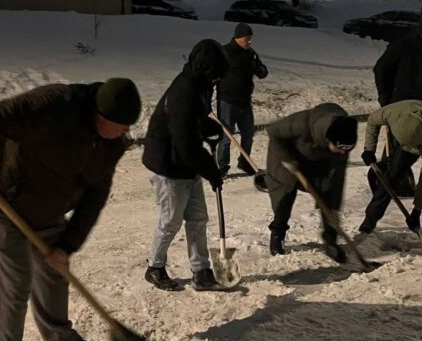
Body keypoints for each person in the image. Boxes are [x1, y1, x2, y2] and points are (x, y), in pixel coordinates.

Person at [0, 78, 142, 341]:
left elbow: (96, 194)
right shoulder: (54, 106)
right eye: (120, 126)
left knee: (55, 271)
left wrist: (67, 245)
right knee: (13, 284)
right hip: (2, 201)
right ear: (99, 116)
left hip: (47, 207)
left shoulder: (112, 143)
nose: (124, 134)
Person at [142, 39, 228, 292]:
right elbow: (185, 143)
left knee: (198, 217)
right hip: (168, 164)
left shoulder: (200, 85)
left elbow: (193, 125)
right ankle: (154, 267)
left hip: (186, 162)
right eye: (215, 75)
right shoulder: (184, 93)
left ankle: (201, 271)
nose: (216, 81)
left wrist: (207, 127)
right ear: (206, 68)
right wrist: (211, 170)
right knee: (170, 221)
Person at [265, 104, 358, 262]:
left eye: (347, 149)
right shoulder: (301, 124)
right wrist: (287, 158)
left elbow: (338, 178)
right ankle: (277, 234)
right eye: (340, 148)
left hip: (318, 161)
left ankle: (331, 240)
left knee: (328, 193)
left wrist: (334, 208)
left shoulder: (342, 139)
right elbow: (273, 131)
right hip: (287, 159)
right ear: (329, 139)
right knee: (285, 195)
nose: (343, 152)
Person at [359, 100, 422, 242]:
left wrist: (417, 211)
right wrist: (369, 149)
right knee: (391, 176)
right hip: (409, 138)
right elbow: (372, 120)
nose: (417, 152)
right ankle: (369, 222)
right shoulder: (392, 113)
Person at [216, 22, 269, 177]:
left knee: (248, 134)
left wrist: (256, 66)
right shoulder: (225, 52)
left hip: (244, 101)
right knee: (226, 137)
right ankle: (222, 168)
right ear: (239, 38)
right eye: (248, 38)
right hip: (227, 101)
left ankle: (244, 162)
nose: (250, 41)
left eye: (251, 38)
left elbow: (263, 72)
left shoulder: (250, 53)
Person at [373, 16, 422, 107]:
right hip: (397, 100)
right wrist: (384, 97)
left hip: (418, 100)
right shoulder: (401, 46)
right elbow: (381, 69)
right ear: (420, 34)